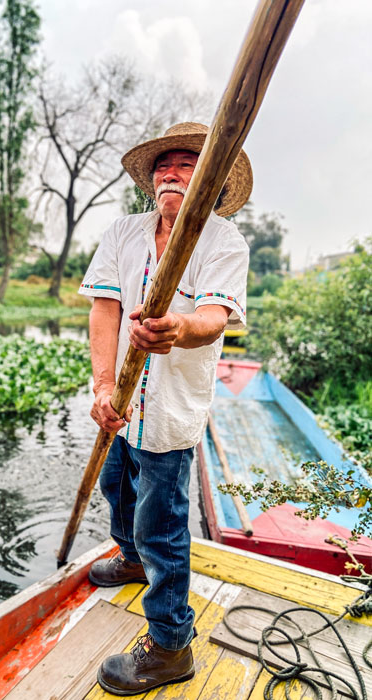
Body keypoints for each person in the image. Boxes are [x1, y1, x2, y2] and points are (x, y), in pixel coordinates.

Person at [78, 122, 252, 696]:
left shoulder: (223, 240)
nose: (170, 174)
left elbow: (213, 318)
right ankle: (128, 560)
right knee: (116, 489)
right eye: (163, 166)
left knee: (163, 525)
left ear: (210, 180)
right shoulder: (123, 233)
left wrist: (177, 327)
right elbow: (105, 309)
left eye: (186, 165)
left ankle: (171, 645)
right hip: (122, 404)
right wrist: (104, 386)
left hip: (172, 410)